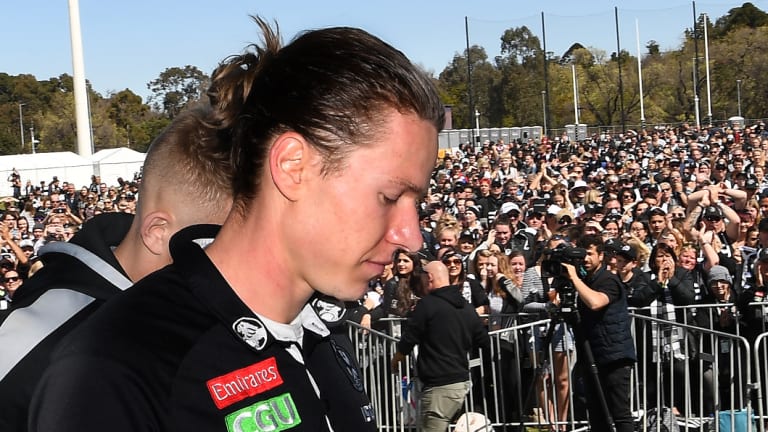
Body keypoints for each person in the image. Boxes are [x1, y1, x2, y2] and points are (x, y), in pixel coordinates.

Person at [30, 18, 444, 432]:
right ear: (292, 166)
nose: (410, 234)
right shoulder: (121, 364)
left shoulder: (323, 335)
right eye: (389, 197)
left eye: (416, 202)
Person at [0, 106, 234, 431]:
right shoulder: (30, 342)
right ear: (158, 232)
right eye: (222, 244)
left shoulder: (227, 323)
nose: (240, 264)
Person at [391, 261, 490, 432]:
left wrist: (396, 359)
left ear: (429, 277)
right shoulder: (466, 308)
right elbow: (484, 341)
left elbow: (410, 338)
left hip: (439, 387)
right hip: (460, 383)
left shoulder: (427, 305)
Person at [560, 234, 636, 432]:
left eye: (590, 254)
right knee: (596, 413)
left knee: (619, 413)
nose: (585, 259)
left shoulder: (608, 280)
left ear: (601, 256)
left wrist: (575, 278)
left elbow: (595, 302)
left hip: (614, 356)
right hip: (592, 354)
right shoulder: (588, 279)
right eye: (582, 254)